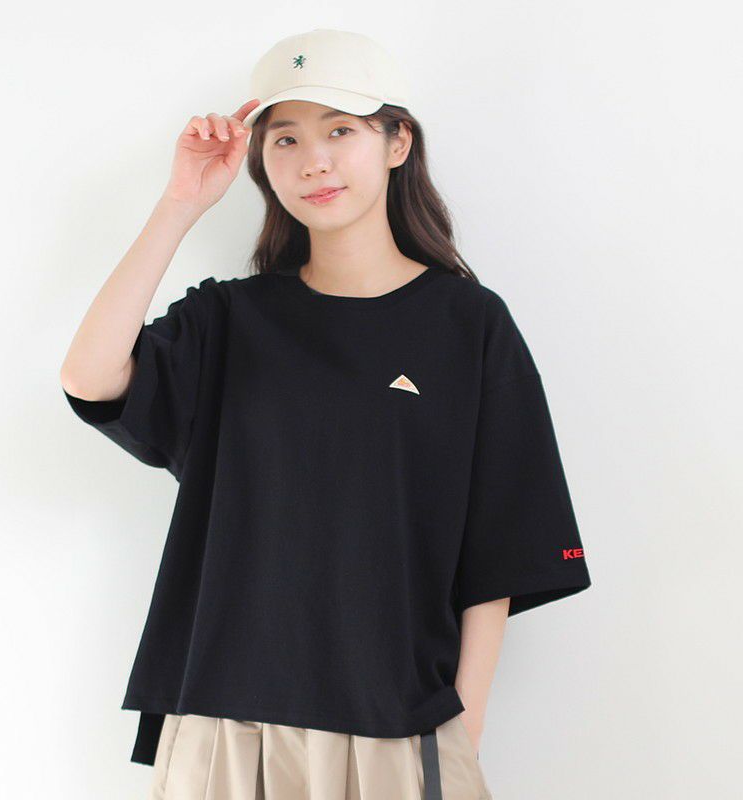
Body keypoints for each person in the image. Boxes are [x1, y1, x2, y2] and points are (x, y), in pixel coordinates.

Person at [60, 28, 591, 800]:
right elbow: (89, 377)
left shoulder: (467, 326)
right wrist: (179, 206)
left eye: (340, 131)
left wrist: (464, 726)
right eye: (285, 139)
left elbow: (503, 542)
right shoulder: (229, 320)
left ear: (397, 142)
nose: (313, 161)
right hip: (225, 724)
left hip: (395, 722)